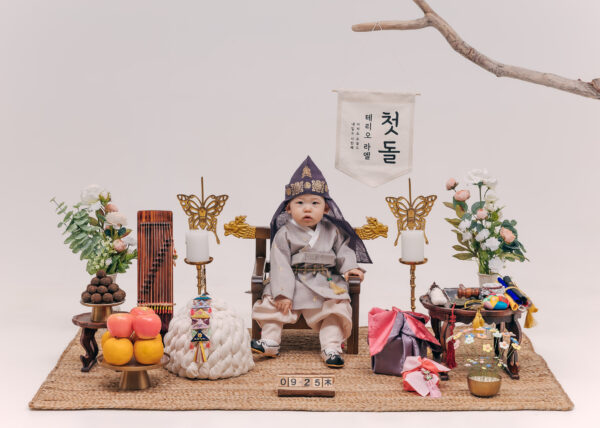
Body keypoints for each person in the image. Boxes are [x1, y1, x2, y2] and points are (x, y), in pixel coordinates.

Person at [251, 156, 372, 368]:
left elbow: (344, 250)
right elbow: (280, 263)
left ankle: (331, 347)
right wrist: (283, 292)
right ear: (288, 208)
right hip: (294, 282)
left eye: (315, 203)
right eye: (300, 203)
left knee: (336, 308)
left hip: (326, 281)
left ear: (326, 209)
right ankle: (270, 341)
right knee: (273, 303)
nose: (307, 209)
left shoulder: (333, 230)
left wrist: (350, 268)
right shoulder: (284, 233)